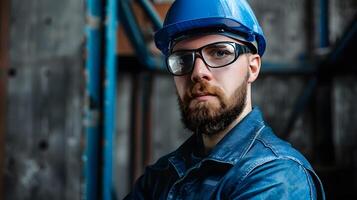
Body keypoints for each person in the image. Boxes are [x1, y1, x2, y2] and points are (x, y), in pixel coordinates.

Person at [125, 0, 325, 199]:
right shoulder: (161, 175)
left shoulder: (279, 177)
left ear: (252, 68)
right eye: (183, 58)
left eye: (220, 53)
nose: (198, 72)